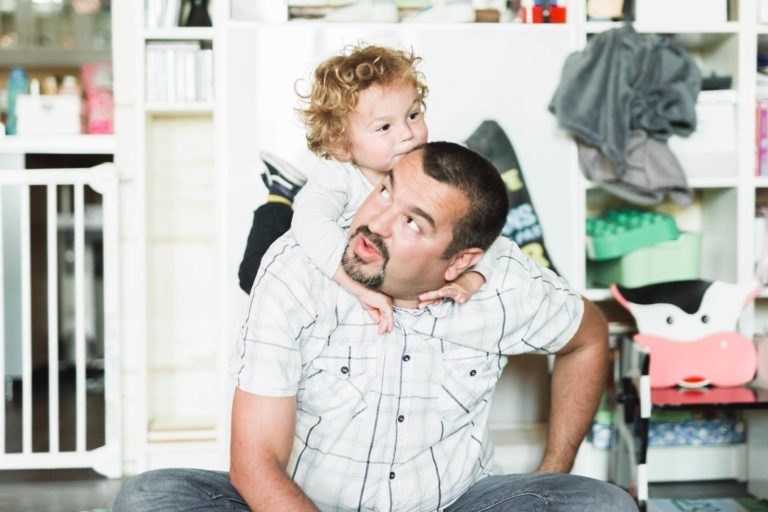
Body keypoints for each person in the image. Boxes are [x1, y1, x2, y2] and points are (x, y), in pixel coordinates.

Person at [113, 142, 639, 512]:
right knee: (148, 499)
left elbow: (588, 338)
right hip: (302, 503)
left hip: (454, 504)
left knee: (604, 505)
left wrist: (553, 470)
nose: (375, 224)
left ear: (460, 261)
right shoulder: (297, 267)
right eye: (386, 190)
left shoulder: (504, 285)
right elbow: (255, 465)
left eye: (414, 222)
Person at [238, 44, 490, 333]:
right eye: (384, 128)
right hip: (300, 221)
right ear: (342, 144)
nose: (408, 134)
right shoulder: (337, 174)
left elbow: (481, 228)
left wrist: (472, 279)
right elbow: (311, 222)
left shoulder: (431, 168)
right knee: (252, 277)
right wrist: (355, 286)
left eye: (413, 115)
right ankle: (281, 194)